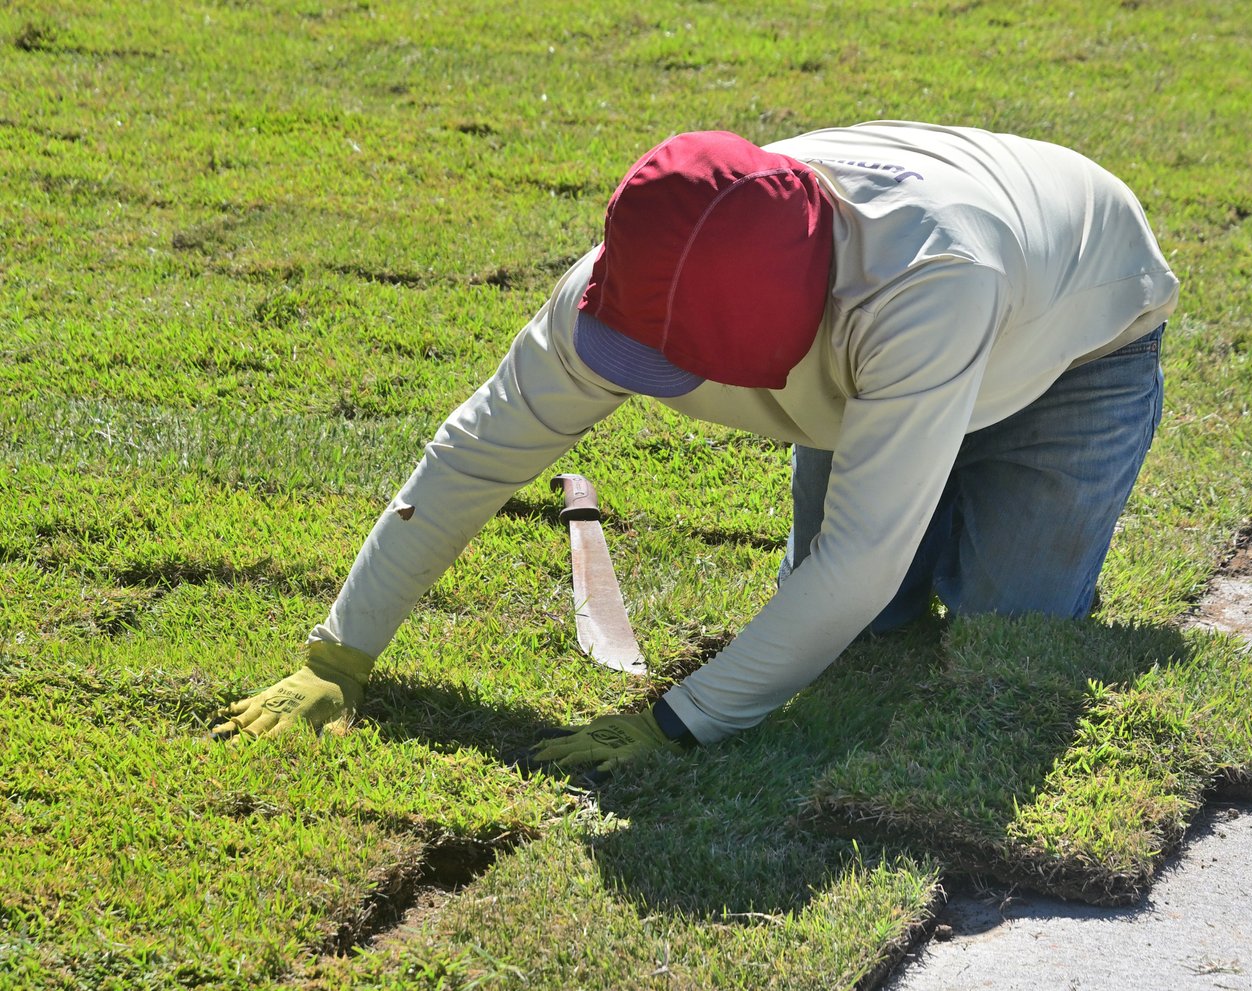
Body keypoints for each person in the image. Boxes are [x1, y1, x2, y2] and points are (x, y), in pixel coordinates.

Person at [210, 121, 1179, 770]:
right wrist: (340, 655)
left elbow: (857, 561)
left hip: (1074, 333)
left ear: (779, 336)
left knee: (1003, 636)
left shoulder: (926, 283)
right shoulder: (623, 281)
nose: (635, 375)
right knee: (862, 641)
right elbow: (475, 454)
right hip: (882, 370)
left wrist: (680, 722)